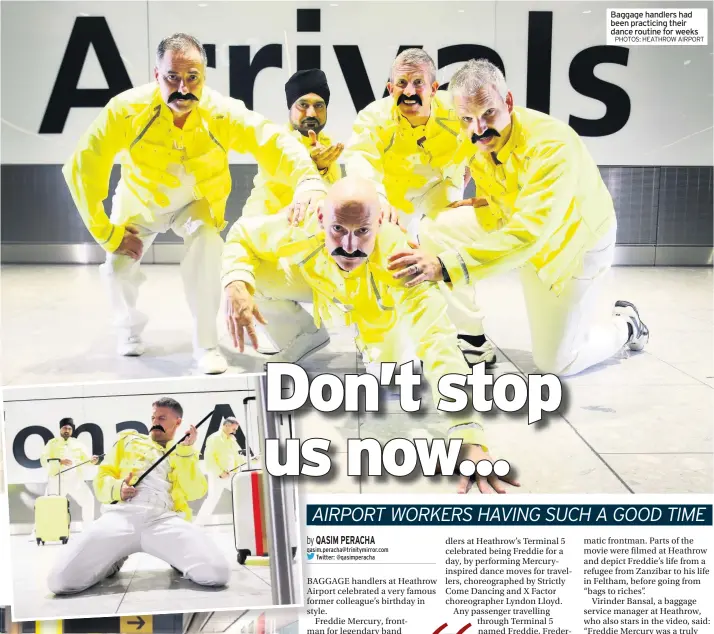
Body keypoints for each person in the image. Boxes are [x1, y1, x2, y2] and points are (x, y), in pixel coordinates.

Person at [222, 176, 519, 494]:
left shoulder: (402, 261)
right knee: (252, 277)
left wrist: (468, 435)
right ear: (321, 218)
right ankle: (304, 333)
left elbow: (437, 340)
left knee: (393, 380)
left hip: (377, 317)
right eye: (338, 229)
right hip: (322, 287)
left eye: (362, 231)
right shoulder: (302, 224)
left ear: (379, 223)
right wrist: (236, 282)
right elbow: (241, 236)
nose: (348, 246)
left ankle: (382, 350)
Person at [62, 33, 326, 375]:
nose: (183, 87)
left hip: (194, 204)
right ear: (157, 75)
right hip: (140, 203)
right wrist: (107, 233)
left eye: (193, 77)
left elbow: (271, 139)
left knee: (207, 246)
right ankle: (127, 329)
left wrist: (307, 179)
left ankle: (206, 345)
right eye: (173, 77)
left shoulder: (221, 112)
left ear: (203, 77)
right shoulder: (126, 110)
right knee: (116, 267)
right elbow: (83, 166)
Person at [390, 59, 649, 377]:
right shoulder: (469, 130)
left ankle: (626, 326)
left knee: (558, 363)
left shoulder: (552, 145)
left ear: (508, 102)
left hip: (572, 246)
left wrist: (444, 267)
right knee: (437, 228)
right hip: (509, 219)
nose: (479, 129)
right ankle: (471, 340)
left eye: (488, 114)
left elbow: (530, 233)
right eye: (467, 119)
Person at [342, 48, 494, 367]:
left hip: (440, 183)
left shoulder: (456, 111)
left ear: (434, 88)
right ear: (390, 88)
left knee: (447, 241)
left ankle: (469, 335)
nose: (409, 91)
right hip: (392, 191)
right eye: (401, 83)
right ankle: (379, 335)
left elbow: (483, 145)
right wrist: (377, 199)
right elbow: (359, 159)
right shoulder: (373, 118)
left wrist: (471, 176)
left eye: (417, 83)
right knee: (385, 246)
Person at [47, 398, 230, 595]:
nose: (154, 421)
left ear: (178, 422)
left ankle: (169, 554)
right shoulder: (128, 441)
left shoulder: (183, 450)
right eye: (153, 417)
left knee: (217, 574)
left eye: (162, 417)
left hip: (164, 519)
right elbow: (102, 479)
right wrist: (118, 488)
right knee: (59, 581)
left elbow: (195, 491)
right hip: (120, 516)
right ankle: (113, 556)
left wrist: (186, 450)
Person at [241, 68, 342, 356]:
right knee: (244, 273)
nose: (311, 112)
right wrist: (314, 167)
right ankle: (302, 333)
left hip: (323, 259)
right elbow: (291, 170)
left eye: (319, 105)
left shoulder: (329, 146)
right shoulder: (276, 142)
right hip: (277, 249)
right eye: (303, 104)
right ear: (290, 108)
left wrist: (323, 167)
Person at [39, 418, 98, 527]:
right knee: (48, 505)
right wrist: (59, 461)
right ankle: (39, 532)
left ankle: (88, 529)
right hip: (57, 480)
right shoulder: (52, 443)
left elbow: (88, 460)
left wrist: (93, 460)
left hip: (75, 480)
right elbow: (43, 459)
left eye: (69, 428)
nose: (67, 430)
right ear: (60, 429)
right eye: (65, 428)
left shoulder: (78, 443)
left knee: (88, 500)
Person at [195, 417, 246, 526]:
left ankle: (242, 521)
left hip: (232, 475)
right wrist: (220, 472)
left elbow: (238, 455)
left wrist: (253, 460)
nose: (235, 431)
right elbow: (209, 458)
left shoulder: (232, 439)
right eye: (233, 429)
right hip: (218, 476)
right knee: (213, 499)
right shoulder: (214, 438)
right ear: (226, 425)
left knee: (241, 495)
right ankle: (198, 524)